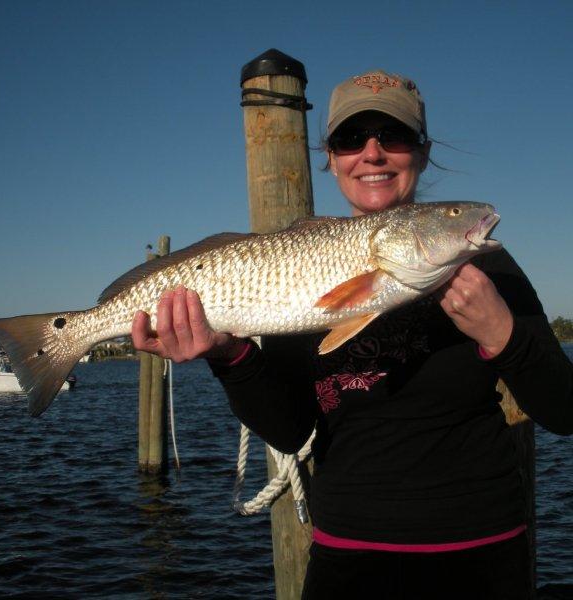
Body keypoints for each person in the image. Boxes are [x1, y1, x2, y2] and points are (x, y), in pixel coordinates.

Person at [131, 70, 573, 599]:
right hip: (346, 555)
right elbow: (291, 430)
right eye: (349, 139)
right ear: (331, 157)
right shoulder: (304, 267)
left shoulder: (490, 272)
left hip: (480, 550)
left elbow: (564, 412)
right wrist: (228, 354)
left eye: (394, 136)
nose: (372, 154)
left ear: (423, 152)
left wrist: (502, 333)